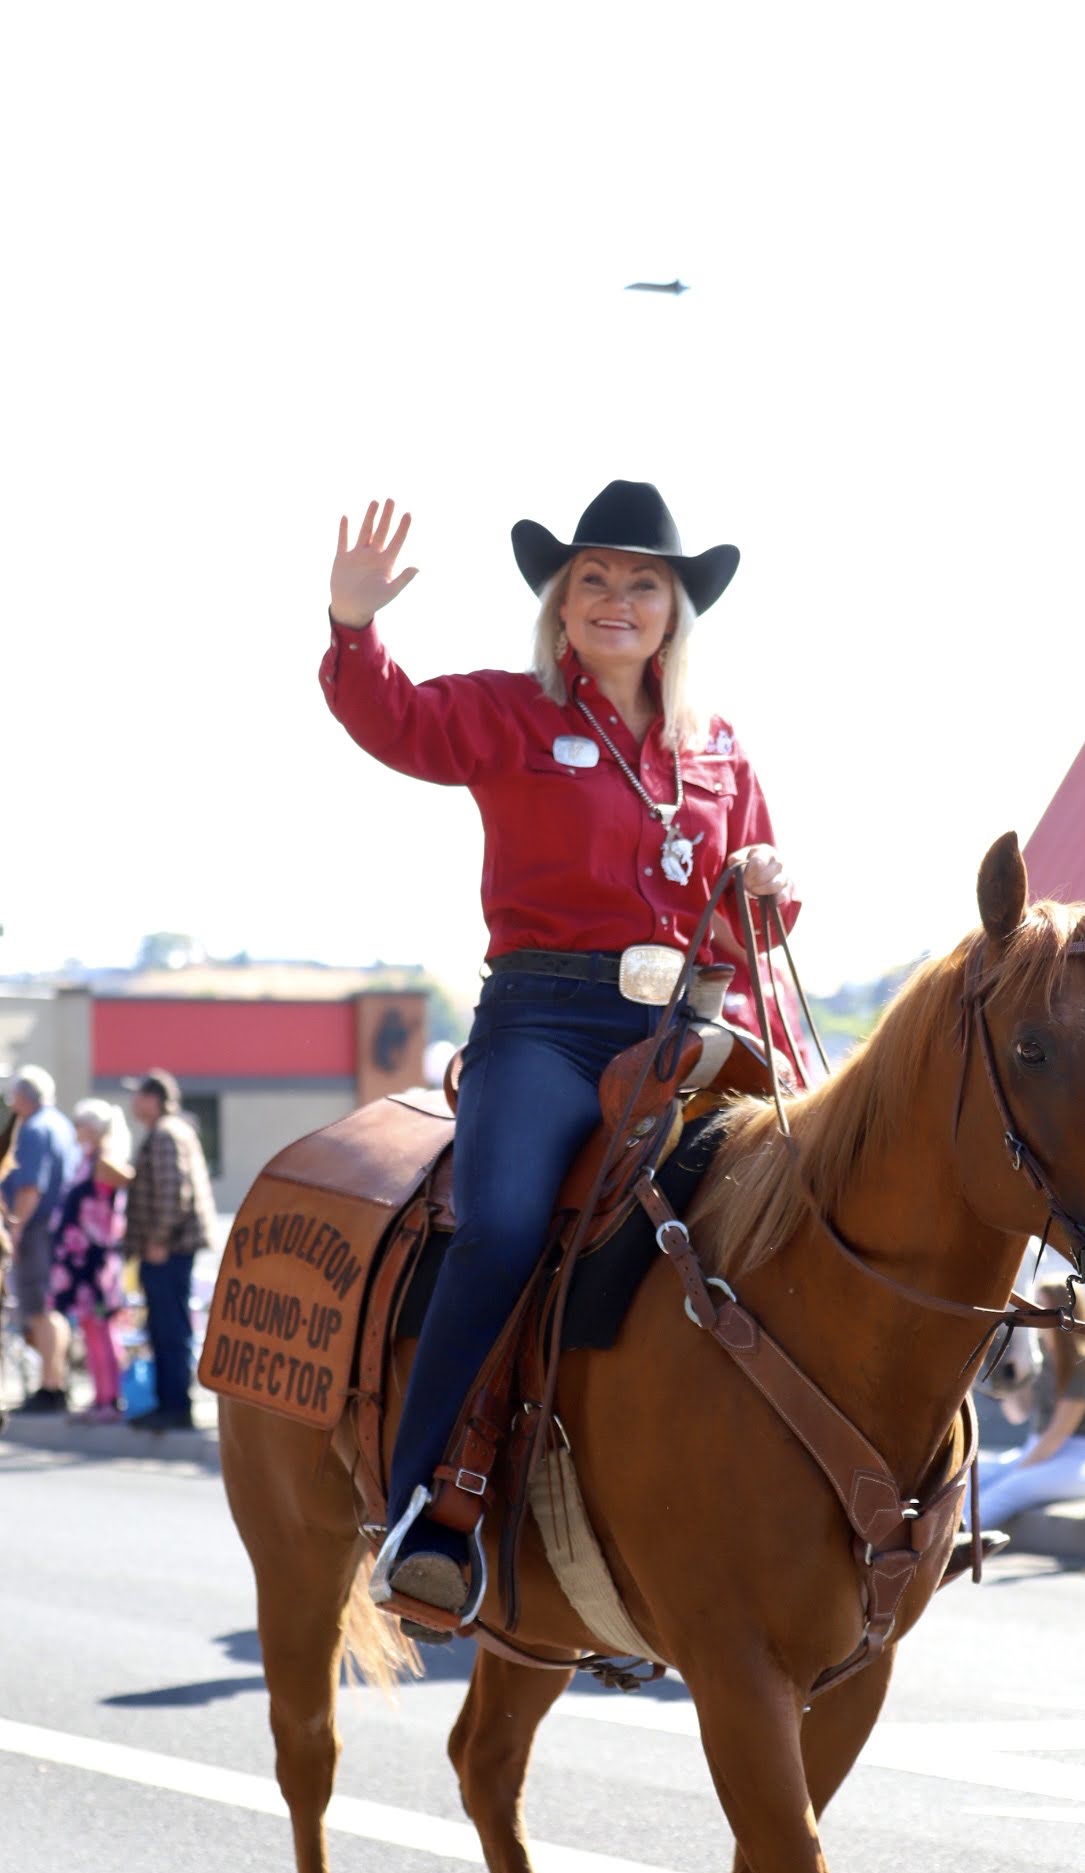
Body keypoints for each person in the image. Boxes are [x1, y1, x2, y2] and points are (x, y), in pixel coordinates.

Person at [319, 482, 795, 1634]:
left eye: (643, 584)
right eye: (593, 580)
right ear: (561, 603)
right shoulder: (511, 711)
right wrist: (351, 627)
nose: (617, 601)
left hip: (686, 1025)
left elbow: (756, 915)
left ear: (676, 610)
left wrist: (771, 892)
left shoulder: (717, 745)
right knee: (501, 1225)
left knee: (804, 1193)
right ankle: (425, 1506)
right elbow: (396, 723)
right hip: (544, 1021)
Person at [975, 1288, 1085, 1529]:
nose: (1030, 1312)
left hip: (1079, 1459)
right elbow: (1017, 1414)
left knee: (1010, 1487)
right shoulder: (1039, 1355)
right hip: (1038, 1449)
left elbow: (1057, 1434)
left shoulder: (1083, 1361)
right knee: (976, 1476)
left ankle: (961, 1539)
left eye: (1040, 1304)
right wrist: (1012, 1376)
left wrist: (1018, 1469)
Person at [123, 1069, 216, 1433]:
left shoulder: (165, 1134)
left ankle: (176, 1405)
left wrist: (158, 1240)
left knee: (170, 1328)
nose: (133, 1102)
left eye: (138, 1095)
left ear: (153, 1099)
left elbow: (173, 1193)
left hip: (168, 1249)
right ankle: (167, 1402)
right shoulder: (171, 1132)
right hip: (168, 1247)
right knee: (164, 1327)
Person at [1, 1067, 82, 1412]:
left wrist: (15, 1230)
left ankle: (50, 1385)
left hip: (38, 1230)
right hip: (59, 1228)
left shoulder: (34, 1129)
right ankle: (56, 1380)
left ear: (23, 1097)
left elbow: (30, 1187)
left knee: (39, 1310)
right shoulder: (61, 1125)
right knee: (51, 1309)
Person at [49, 1099, 134, 1423]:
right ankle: (101, 1394)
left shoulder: (104, 1160)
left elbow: (128, 1184)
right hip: (80, 1260)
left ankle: (111, 1398)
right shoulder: (86, 1159)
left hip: (95, 1262)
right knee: (90, 1328)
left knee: (102, 1327)